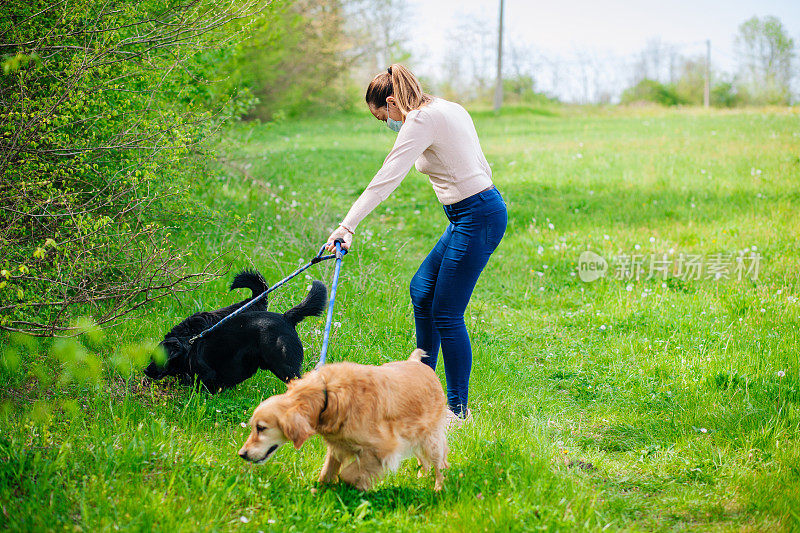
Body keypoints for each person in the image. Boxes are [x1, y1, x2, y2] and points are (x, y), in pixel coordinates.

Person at [325, 64, 507, 425]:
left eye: (382, 118)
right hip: (473, 212)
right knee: (422, 290)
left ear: (392, 102)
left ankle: (456, 412)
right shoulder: (448, 107)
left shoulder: (420, 121)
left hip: (477, 215)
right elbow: (480, 164)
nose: (386, 124)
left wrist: (348, 225)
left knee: (447, 314)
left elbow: (388, 175)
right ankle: (421, 383)